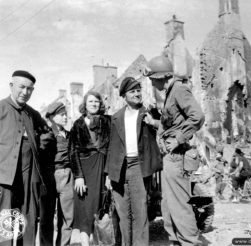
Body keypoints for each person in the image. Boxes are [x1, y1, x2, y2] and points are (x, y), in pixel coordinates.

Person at [146, 55, 205, 246]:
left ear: (162, 76)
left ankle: (189, 242)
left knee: (179, 206)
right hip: (169, 157)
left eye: (153, 80)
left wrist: (179, 139)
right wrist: (154, 122)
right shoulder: (171, 92)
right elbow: (173, 124)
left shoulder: (179, 89)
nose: (153, 84)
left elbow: (197, 116)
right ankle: (176, 242)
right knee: (168, 207)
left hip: (177, 156)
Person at [105, 77, 162, 246]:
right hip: (120, 167)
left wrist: (153, 119)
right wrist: (108, 174)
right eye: (132, 91)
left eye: (138, 90)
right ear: (124, 95)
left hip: (139, 165)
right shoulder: (116, 117)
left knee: (139, 211)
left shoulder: (148, 113)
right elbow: (112, 147)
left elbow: (165, 121)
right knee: (123, 212)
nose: (137, 93)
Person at [0, 70, 55, 246]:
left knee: (28, 222)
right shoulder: (1, 109)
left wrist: (38, 142)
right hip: (4, 178)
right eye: (21, 87)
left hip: (29, 177)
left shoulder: (33, 114)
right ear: (11, 86)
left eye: (30, 89)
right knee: (6, 223)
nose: (25, 92)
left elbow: (50, 138)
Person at [69, 91, 110, 246]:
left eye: (96, 102)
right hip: (84, 170)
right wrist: (78, 176)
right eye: (90, 101)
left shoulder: (107, 121)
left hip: (102, 169)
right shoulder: (78, 124)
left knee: (99, 207)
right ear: (85, 104)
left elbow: (112, 148)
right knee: (85, 208)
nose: (94, 104)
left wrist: (109, 174)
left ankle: (99, 242)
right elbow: (72, 152)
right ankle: (86, 243)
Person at [39, 102, 74, 246]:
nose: (65, 117)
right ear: (52, 117)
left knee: (67, 217)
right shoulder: (46, 133)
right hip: (50, 176)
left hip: (67, 176)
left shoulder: (69, 134)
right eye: (62, 115)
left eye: (66, 114)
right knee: (46, 217)